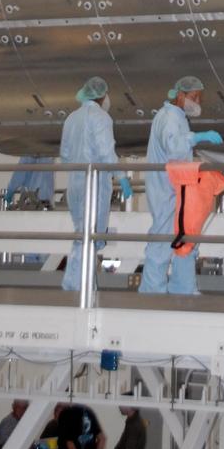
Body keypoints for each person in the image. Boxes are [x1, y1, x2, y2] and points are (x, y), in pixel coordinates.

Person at [139, 75, 223, 296]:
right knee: (163, 236)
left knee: (183, 236)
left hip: (176, 187)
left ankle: (183, 287)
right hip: (166, 188)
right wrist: (197, 137)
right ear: (181, 95)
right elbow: (175, 148)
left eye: (199, 98)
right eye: (194, 97)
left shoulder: (176, 116)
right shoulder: (169, 118)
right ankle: (152, 290)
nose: (197, 102)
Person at [60, 77, 132, 293]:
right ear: (102, 96)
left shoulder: (71, 118)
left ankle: (80, 284)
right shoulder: (101, 118)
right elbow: (106, 153)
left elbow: (64, 154)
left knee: (83, 234)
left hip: (75, 183)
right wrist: (121, 177)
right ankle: (77, 286)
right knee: (89, 236)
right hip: (94, 184)